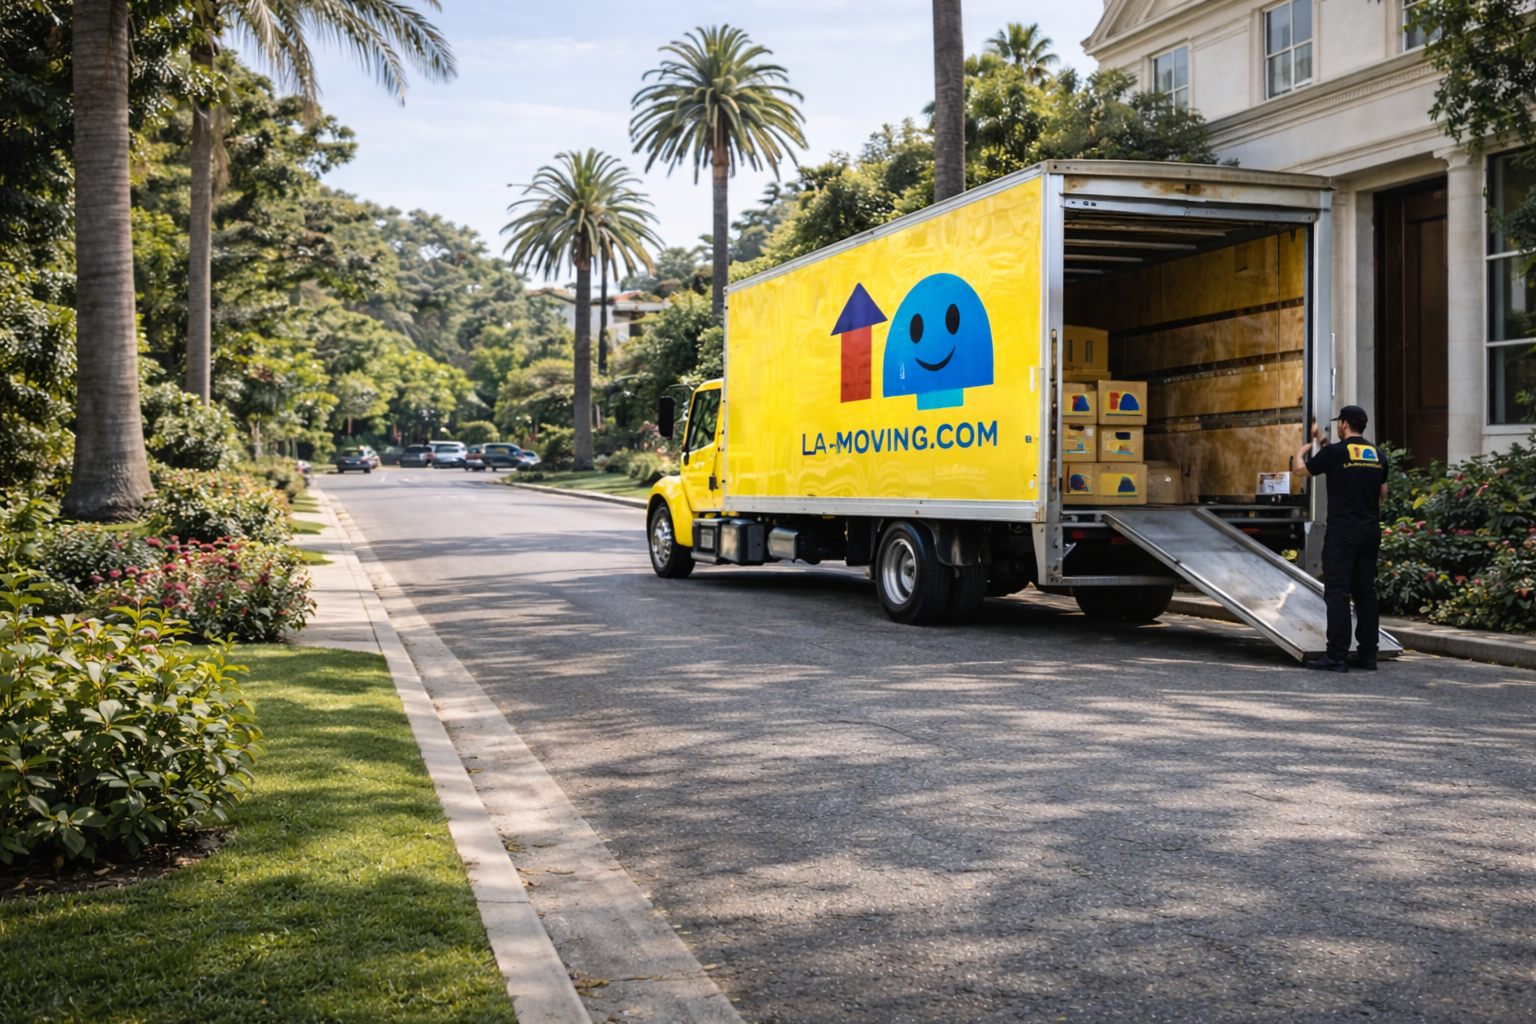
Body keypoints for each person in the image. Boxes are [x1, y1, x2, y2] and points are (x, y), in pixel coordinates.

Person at [1292, 405, 1390, 672]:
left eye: (1338, 423)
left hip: (1342, 533)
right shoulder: (1377, 455)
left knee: (1337, 592)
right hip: (1370, 532)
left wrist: (1302, 450)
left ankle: (1336, 656)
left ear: (1344, 424)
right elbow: (1383, 494)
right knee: (1365, 592)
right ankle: (1369, 654)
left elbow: (1302, 471)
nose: (1337, 427)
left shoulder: (1336, 453)